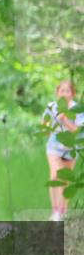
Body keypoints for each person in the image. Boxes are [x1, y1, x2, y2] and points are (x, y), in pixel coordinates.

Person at [43, 80, 82, 221]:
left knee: (65, 180)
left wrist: (65, 120)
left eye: (68, 91)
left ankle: (62, 211)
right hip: (53, 148)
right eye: (62, 90)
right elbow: (45, 125)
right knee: (55, 176)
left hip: (70, 149)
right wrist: (47, 127)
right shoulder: (51, 107)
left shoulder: (77, 109)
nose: (65, 93)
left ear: (72, 94)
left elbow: (78, 131)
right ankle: (55, 212)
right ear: (57, 92)